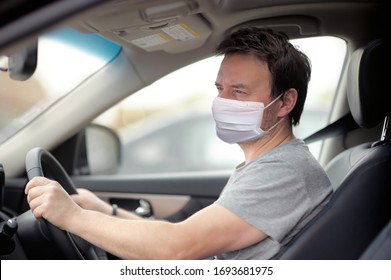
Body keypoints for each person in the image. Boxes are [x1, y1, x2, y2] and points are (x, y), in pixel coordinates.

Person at [25, 27, 333, 260]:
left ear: (285, 102)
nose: (220, 101)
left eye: (239, 91)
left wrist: (74, 217)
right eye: (219, 88)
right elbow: (188, 239)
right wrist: (107, 211)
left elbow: (178, 247)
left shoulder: (284, 171)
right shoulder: (269, 164)